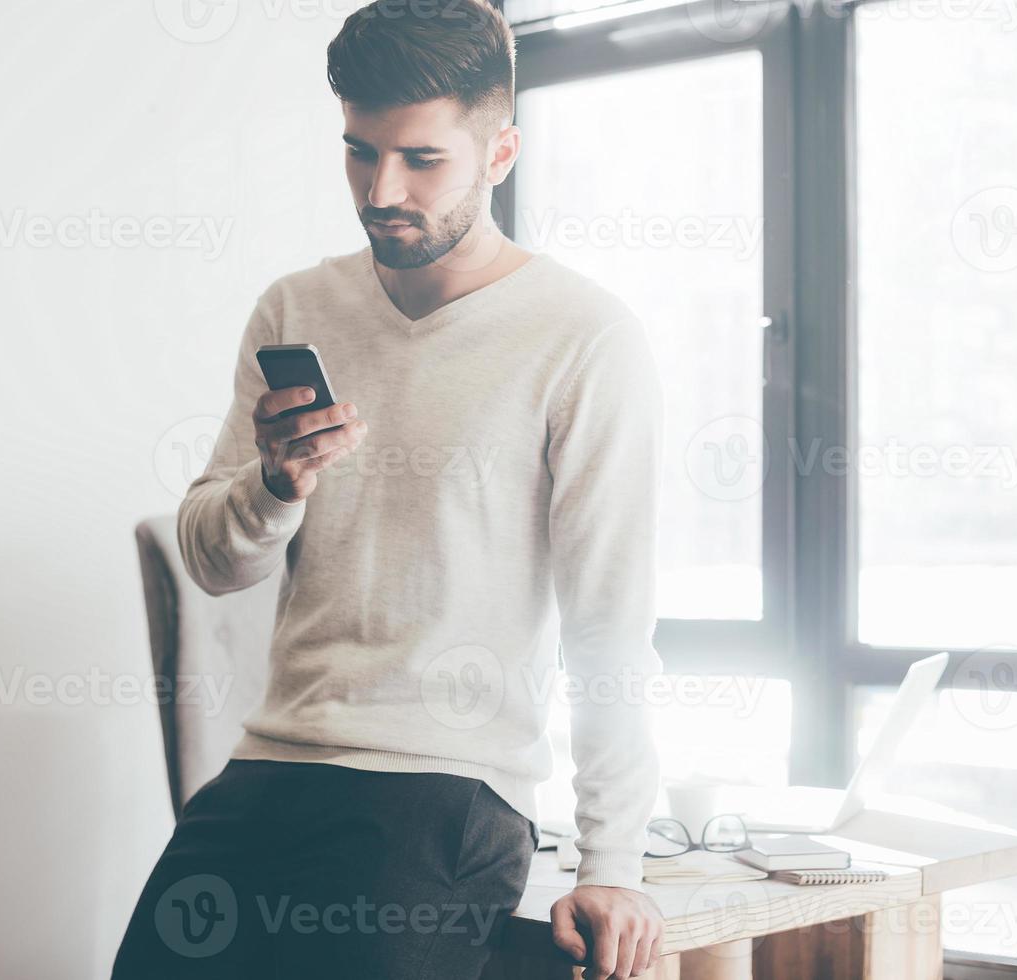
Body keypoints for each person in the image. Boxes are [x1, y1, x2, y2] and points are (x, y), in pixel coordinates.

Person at [111, 0, 666, 976]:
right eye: (358, 152)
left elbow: (607, 617)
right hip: (269, 768)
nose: (380, 188)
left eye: (420, 159)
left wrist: (611, 859)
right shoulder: (297, 307)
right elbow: (210, 558)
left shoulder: (582, 337)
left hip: (443, 790)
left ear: (499, 154)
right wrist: (274, 484)